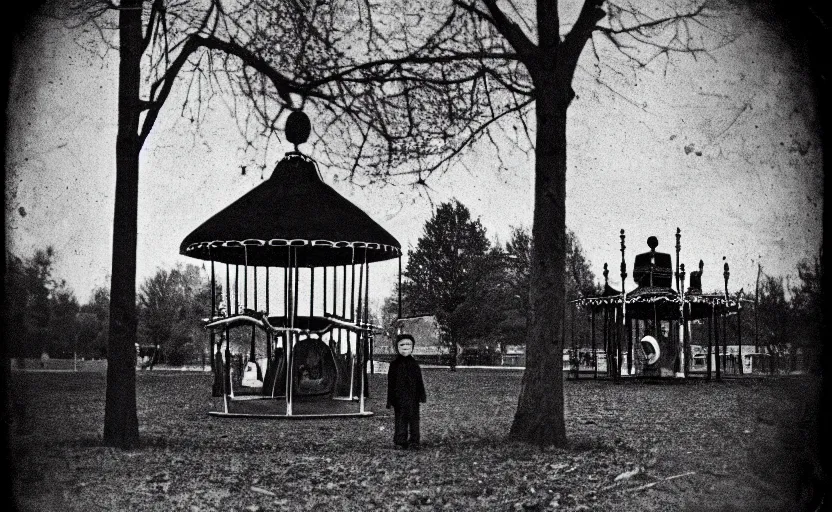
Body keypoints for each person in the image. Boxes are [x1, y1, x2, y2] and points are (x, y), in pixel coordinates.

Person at [387, 334, 427, 450]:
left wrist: (422, 395)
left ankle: (414, 440)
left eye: (408, 344)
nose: (405, 347)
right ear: (397, 347)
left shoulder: (415, 365)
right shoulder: (394, 365)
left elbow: (419, 381)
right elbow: (391, 383)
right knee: (400, 419)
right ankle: (400, 440)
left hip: (413, 397)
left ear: (412, 347)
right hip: (399, 398)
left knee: (414, 419)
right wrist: (390, 399)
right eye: (402, 345)